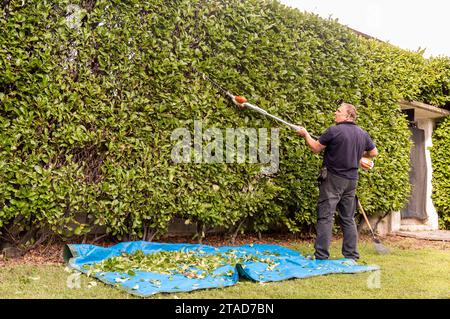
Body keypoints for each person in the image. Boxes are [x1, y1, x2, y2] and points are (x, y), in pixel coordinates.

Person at [296, 102, 378, 261]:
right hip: (351, 182)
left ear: (348, 115)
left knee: (325, 216)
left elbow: (315, 148)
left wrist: (305, 134)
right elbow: (374, 152)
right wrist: (361, 157)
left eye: (338, 111)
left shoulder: (333, 130)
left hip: (333, 180)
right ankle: (351, 256)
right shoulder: (362, 133)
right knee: (348, 218)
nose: (335, 113)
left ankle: (321, 256)